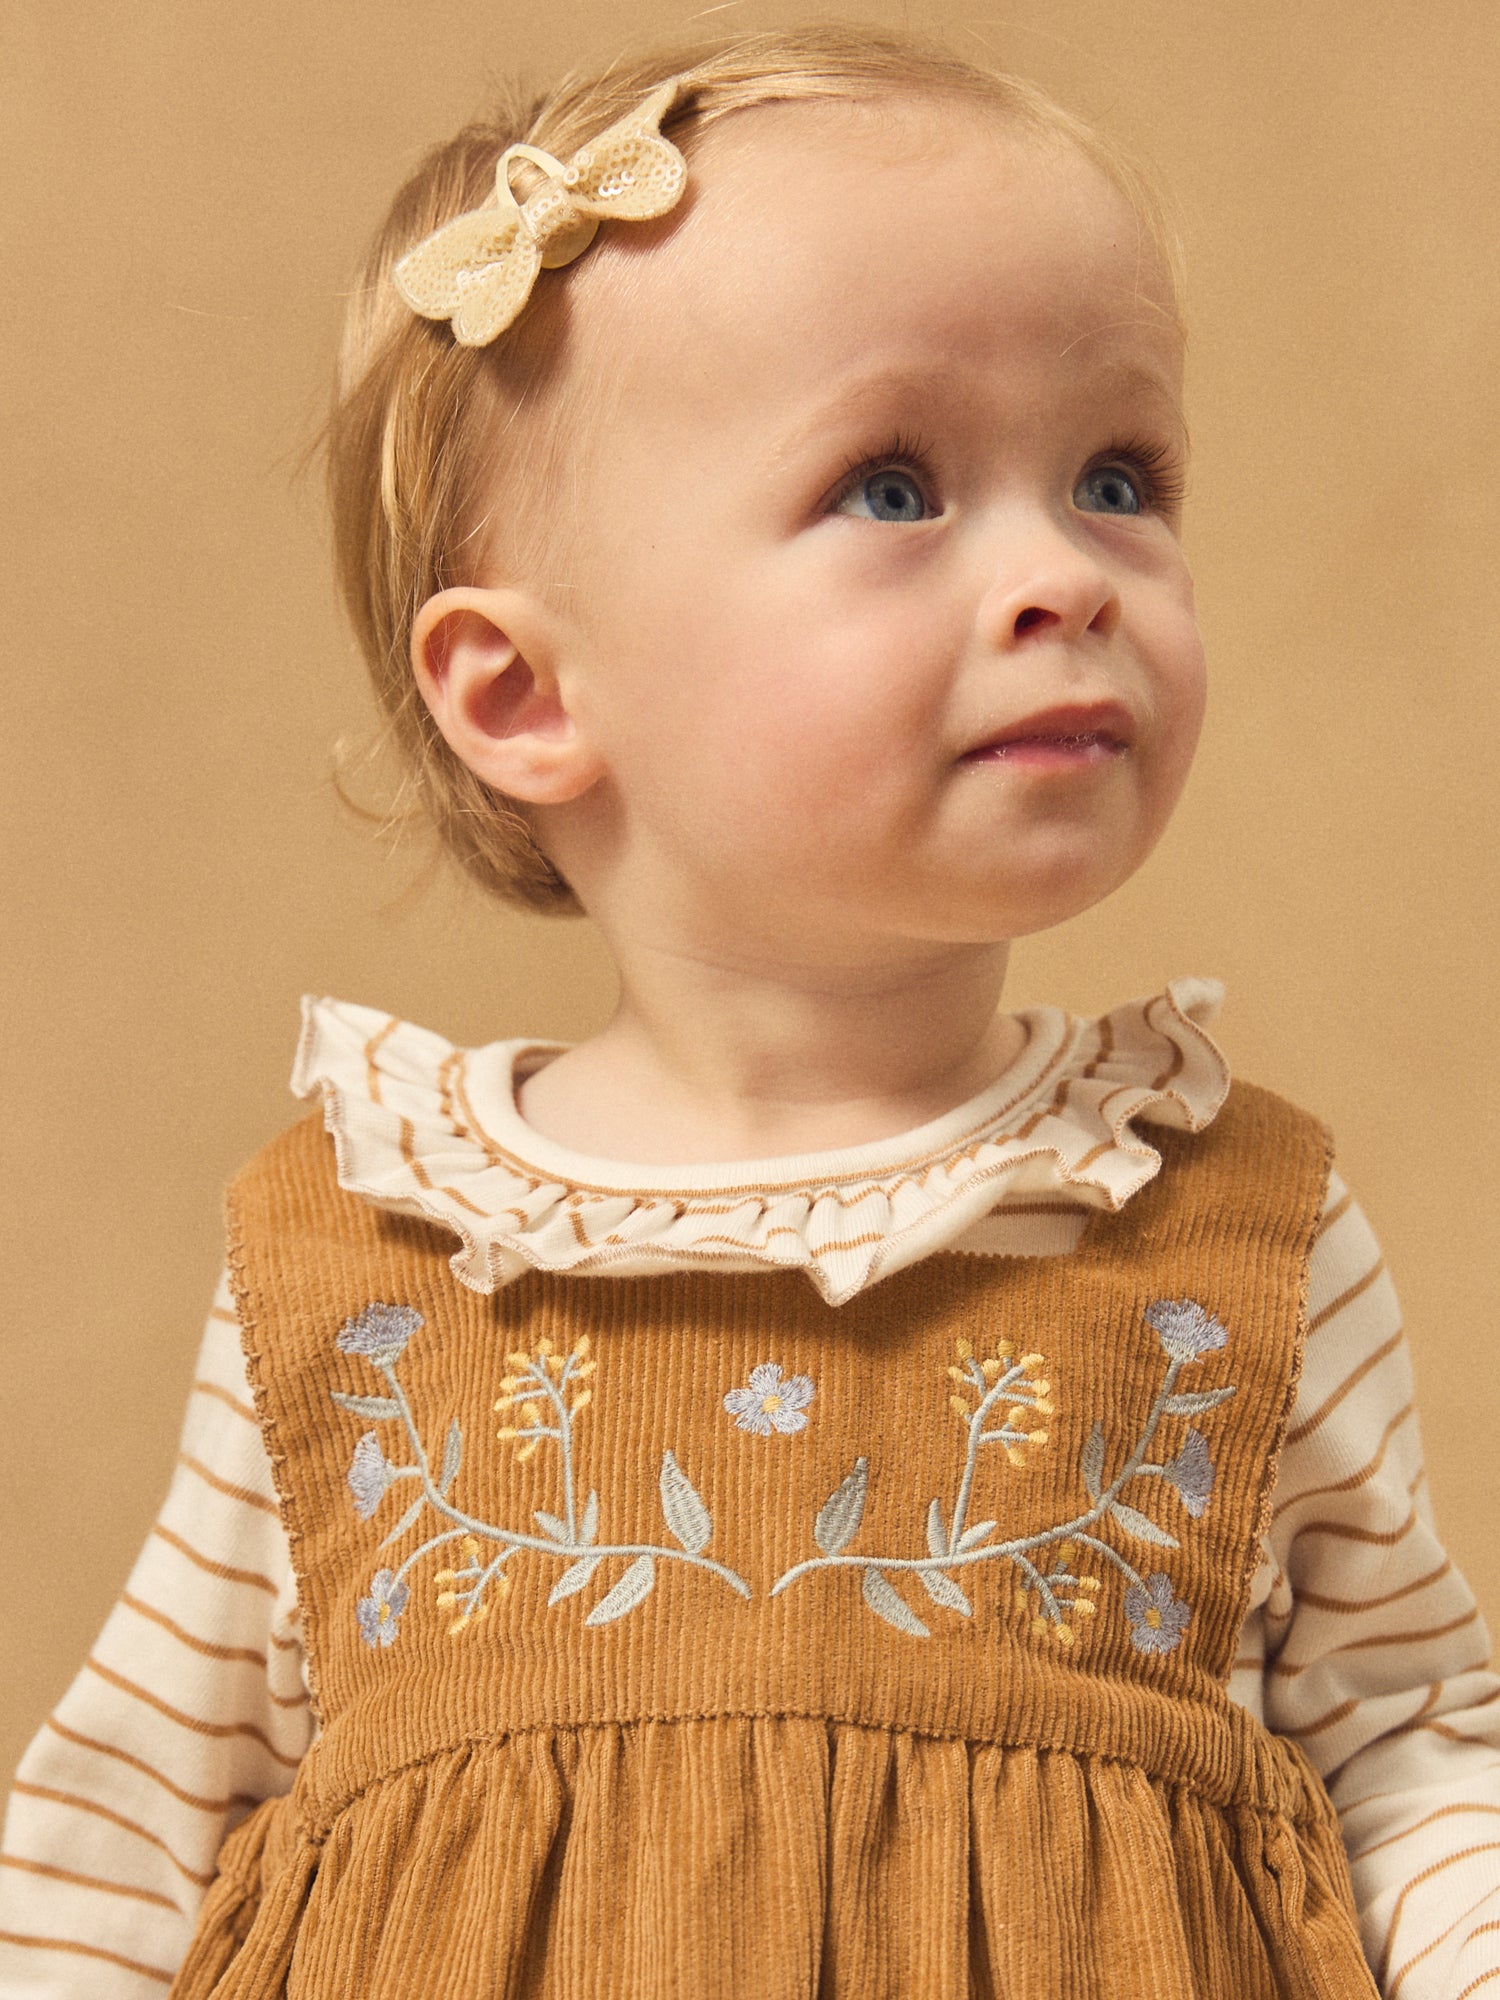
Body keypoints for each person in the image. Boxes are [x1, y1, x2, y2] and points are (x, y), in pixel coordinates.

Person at [1, 24, 1495, 1998]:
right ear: (527, 695)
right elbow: (111, 1846)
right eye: (893, 485)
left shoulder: (1232, 1234)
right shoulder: (355, 1261)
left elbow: (1418, 1760)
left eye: (1118, 474)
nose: (1068, 572)